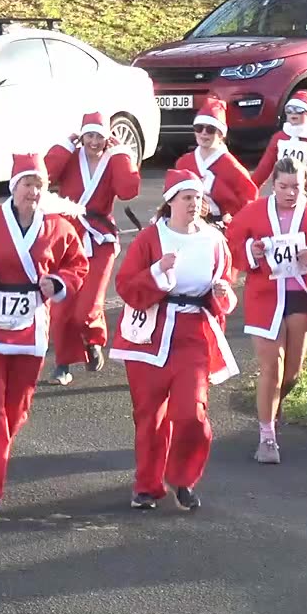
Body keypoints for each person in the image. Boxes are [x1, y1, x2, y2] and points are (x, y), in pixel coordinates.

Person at [0, 153, 87, 524]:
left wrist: (57, 282)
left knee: (17, 410)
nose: (34, 191)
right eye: (28, 183)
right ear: (14, 187)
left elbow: (77, 264)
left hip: (29, 329)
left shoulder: (58, 227)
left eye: (40, 185)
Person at [111, 169, 240, 512]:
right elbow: (125, 285)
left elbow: (225, 284)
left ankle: (183, 478)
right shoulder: (151, 239)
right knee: (149, 416)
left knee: (191, 413)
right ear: (171, 202)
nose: (194, 204)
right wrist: (156, 272)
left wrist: (222, 292)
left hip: (192, 335)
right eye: (187, 198)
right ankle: (147, 486)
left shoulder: (214, 240)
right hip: (148, 335)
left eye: (198, 198)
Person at [227, 156, 307, 465]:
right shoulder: (254, 212)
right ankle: (267, 437)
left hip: (301, 298)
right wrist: (251, 252)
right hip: (264, 297)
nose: (290, 193)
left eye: (296, 187)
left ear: (304, 184)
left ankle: (274, 409)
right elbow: (230, 248)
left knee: (291, 373)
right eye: (283, 187)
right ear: (273, 186)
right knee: (272, 367)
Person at [42, 111, 140, 387]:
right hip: (67, 237)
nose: (94, 142)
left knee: (86, 306)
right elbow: (44, 175)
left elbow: (129, 189)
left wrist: (121, 152)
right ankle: (62, 364)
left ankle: (93, 338)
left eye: (99, 136)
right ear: (81, 136)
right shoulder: (72, 157)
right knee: (61, 307)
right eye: (89, 136)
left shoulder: (113, 160)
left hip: (100, 239)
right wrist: (63, 145)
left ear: (108, 136)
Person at [174, 96, 257, 222]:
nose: (204, 133)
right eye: (199, 128)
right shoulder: (183, 163)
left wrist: (233, 218)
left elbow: (249, 201)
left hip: (221, 225)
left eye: (211, 129)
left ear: (221, 134)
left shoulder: (232, 167)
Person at [251, 91, 307, 198]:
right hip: (283, 193)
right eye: (289, 110)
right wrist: (250, 187)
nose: (293, 114)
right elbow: (265, 166)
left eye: (299, 110)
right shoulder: (279, 137)